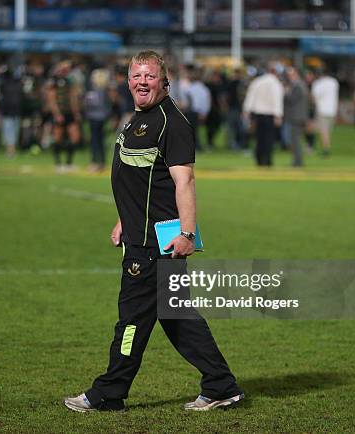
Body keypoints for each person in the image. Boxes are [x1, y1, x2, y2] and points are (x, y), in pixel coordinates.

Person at [64, 50, 244, 413]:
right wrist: (123, 218)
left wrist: (189, 235)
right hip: (141, 235)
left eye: (149, 76)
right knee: (177, 317)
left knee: (132, 321)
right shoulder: (140, 118)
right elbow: (138, 178)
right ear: (128, 80)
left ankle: (109, 392)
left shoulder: (171, 123)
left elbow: (185, 181)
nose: (142, 81)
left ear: (165, 81)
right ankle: (221, 385)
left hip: (153, 245)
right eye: (136, 76)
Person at [242, 62, 284, 166]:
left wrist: (246, 110)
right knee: (269, 138)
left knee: (259, 137)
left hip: (257, 114)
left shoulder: (257, 81)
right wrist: (278, 115)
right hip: (269, 114)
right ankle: (267, 159)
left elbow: (250, 97)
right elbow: (276, 100)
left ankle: (259, 158)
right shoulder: (275, 83)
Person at [47, 61, 82, 172]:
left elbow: (73, 97)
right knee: (58, 138)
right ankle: (58, 163)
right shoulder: (54, 81)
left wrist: (76, 113)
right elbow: (51, 99)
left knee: (75, 137)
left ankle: (68, 163)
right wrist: (57, 114)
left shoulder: (69, 81)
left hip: (69, 113)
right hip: (59, 112)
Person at [84, 68, 112, 172]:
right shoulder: (101, 90)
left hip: (96, 117)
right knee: (99, 141)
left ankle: (96, 162)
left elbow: (90, 104)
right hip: (98, 117)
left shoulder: (96, 91)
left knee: (96, 141)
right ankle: (101, 162)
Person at [283, 67, 309, 167]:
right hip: (297, 116)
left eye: (291, 74)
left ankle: (298, 161)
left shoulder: (298, 85)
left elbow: (292, 99)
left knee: (295, 140)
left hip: (296, 117)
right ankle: (297, 160)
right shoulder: (299, 85)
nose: (289, 76)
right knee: (294, 139)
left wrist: (285, 93)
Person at [311, 69, 339, 157]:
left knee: (323, 131)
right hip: (332, 110)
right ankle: (325, 147)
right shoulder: (334, 82)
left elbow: (313, 98)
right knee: (327, 131)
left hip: (322, 110)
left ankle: (326, 149)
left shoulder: (317, 83)